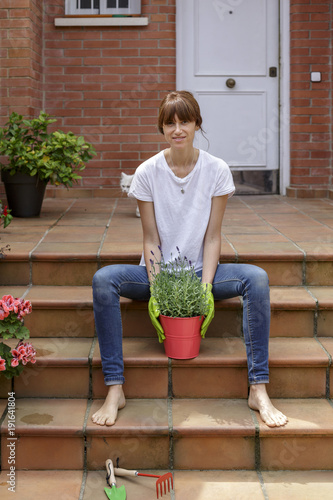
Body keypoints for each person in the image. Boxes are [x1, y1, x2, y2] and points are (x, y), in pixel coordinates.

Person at [92, 90, 288, 428]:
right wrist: (160, 290)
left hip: (201, 272)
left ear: (197, 124)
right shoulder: (147, 172)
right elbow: (151, 239)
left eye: (185, 121)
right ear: (162, 129)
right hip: (159, 275)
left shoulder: (216, 171)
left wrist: (204, 288)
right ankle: (115, 388)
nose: (177, 129)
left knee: (256, 279)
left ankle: (258, 388)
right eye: (170, 123)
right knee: (103, 280)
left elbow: (212, 236)